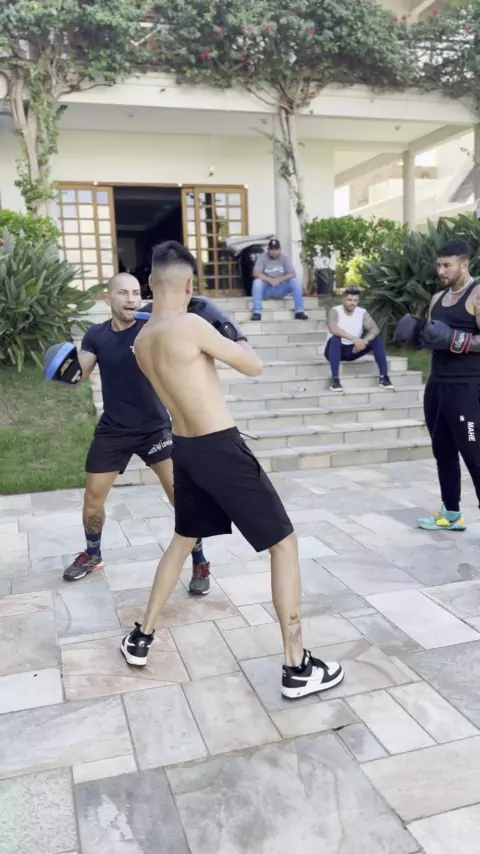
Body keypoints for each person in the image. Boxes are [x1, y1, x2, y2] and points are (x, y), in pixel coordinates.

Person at [120, 241, 344, 699]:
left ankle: (141, 636)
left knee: (184, 538)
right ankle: (297, 666)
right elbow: (253, 366)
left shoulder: (141, 341)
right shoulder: (192, 324)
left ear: (150, 284)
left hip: (183, 449)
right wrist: (230, 329)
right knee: (284, 545)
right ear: (189, 285)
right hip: (219, 447)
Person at [62, 272, 211, 595]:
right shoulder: (96, 335)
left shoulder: (150, 329)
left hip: (155, 428)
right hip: (114, 430)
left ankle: (199, 560)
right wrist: (65, 371)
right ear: (108, 298)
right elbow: (80, 373)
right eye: (123, 293)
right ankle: (92, 553)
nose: (131, 299)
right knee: (93, 499)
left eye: (135, 293)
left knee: (181, 497)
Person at [417, 239, 480, 532]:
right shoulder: (437, 299)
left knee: (474, 455)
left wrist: (457, 339)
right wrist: (417, 339)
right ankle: (451, 513)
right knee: (442, 451)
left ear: (464, 265)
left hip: (466, 387)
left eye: (447, 265)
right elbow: (434, 339)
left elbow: (453, 339)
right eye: (439, 265)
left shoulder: (476, 294)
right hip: (437, 385)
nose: (441, 271)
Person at [325, 286, 393, 392]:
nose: (352, 303)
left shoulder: (361, 312)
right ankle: (335, 381)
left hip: (353, 350)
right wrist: (355, 339)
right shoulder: (335, 311)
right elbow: (333, 328)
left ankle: (384, 378)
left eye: (355, 300)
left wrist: (364, 341)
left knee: (377, 339)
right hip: (335, 350)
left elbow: (374, 329)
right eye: (349, 300)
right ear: (343, 299)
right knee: (335, 339)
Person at [251, 238, 308, 321]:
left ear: (280, 249)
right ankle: (257, 313)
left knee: (295, 281)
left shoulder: (285, 258)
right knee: (257, 282)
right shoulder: (262, 258)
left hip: (280, 289)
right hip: (267, 289)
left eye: (276, 249)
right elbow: (255, 273)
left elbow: (293, 274)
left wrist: (279, 280)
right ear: (268, 250)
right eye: (271, 249)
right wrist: (269, 280)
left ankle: (299, 312)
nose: (274, 251)